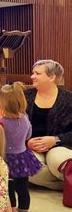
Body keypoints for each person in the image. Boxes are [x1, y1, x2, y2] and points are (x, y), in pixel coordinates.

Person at [0, 82, 42, 212]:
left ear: (2, 103)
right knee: (23, 186)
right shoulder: (25, 118)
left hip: (6, 159)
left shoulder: (0, 122)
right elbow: (28, 135)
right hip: (23, 156)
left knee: (9, 186)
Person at [25, 60, 72, 190]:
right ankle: (65, 185)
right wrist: (26, 142)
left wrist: (56, 140)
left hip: (61, 146)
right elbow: (14, 126)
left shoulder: (69, 100)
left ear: (52, 77)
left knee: (58, 160)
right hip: (32, 147)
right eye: (33, 73)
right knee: (26, 166)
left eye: (37, 73)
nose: (32, 76)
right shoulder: (24, 97)